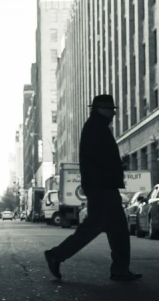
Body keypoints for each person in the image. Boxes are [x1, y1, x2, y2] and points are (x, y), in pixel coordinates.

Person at [44, 94, 142, 281]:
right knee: (93, 228)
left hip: (103, 187)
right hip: (102, 189)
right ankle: (56, 254)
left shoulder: (97, 128)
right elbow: (98, 162)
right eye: (110, 110)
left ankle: (120, 269)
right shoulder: (96, 128)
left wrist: (117, 166)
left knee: (117, 229)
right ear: (100, 109)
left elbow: (101, 160)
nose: (113, 114)